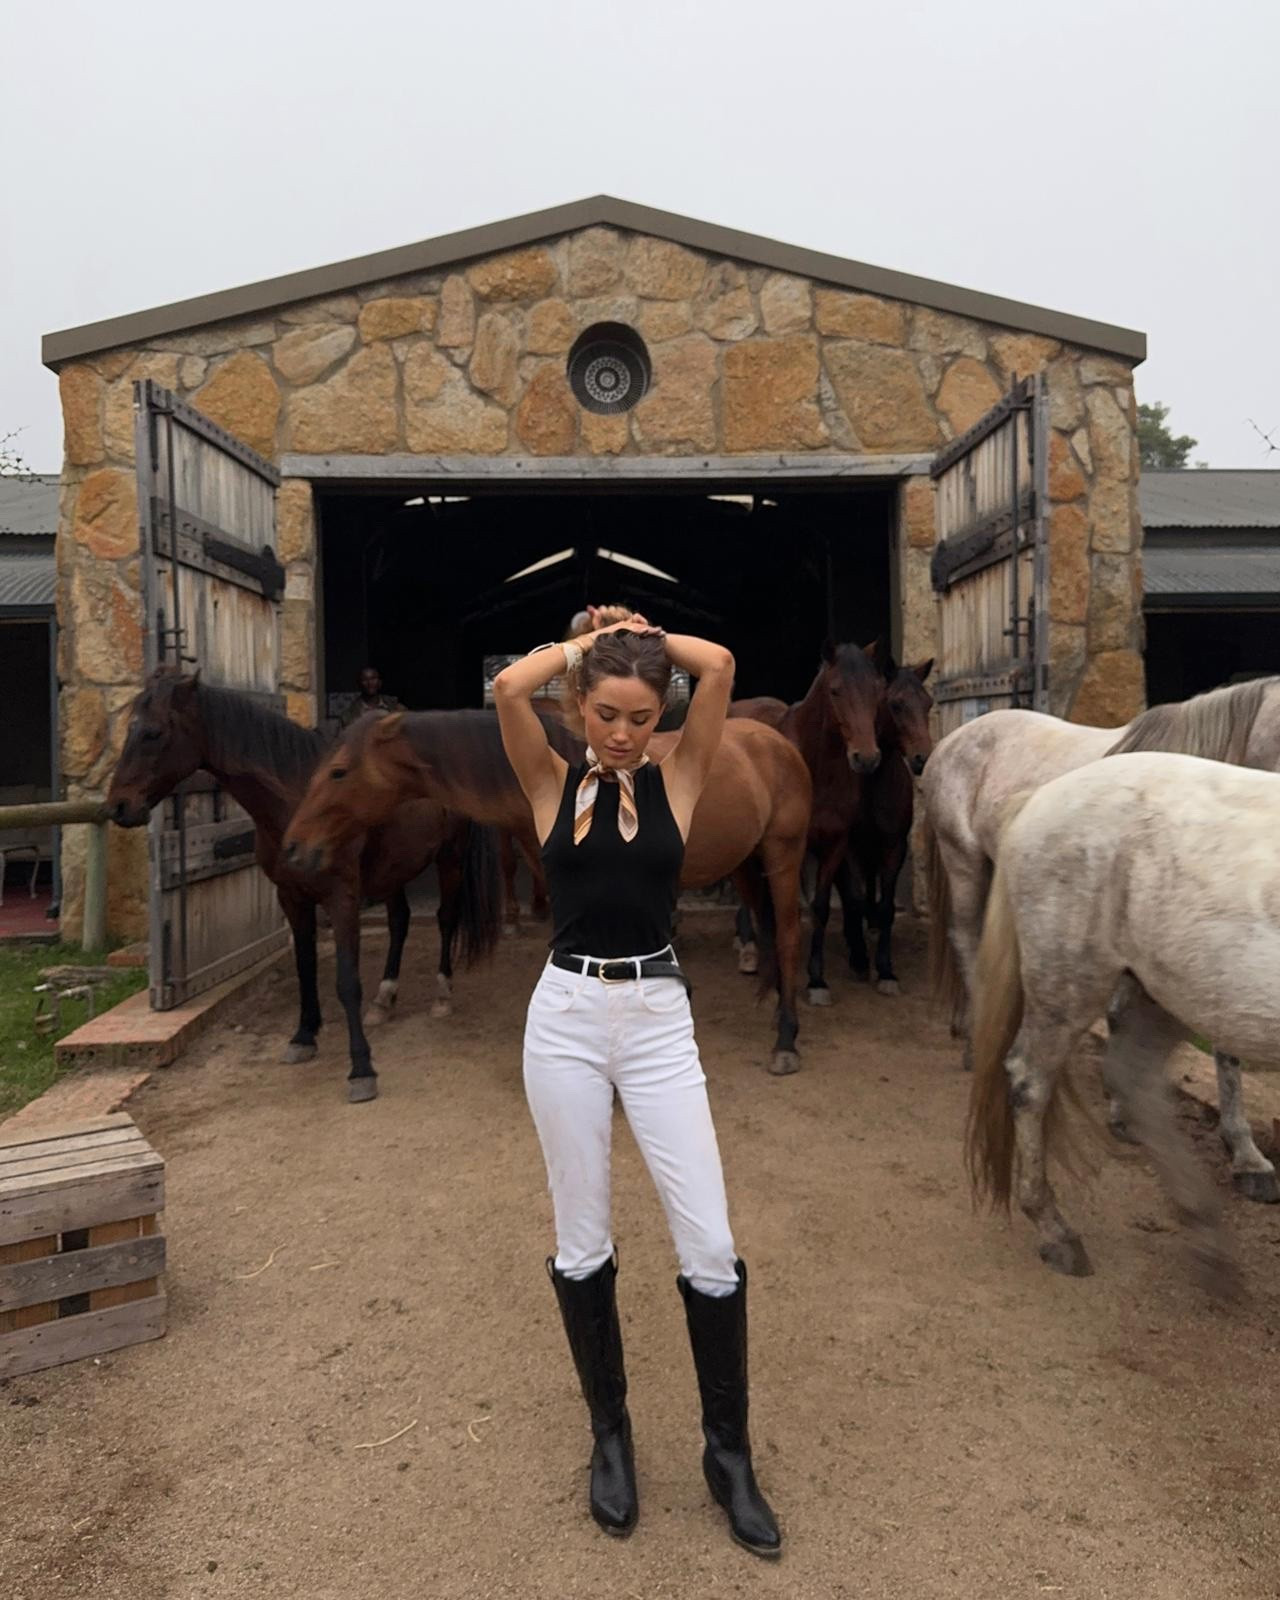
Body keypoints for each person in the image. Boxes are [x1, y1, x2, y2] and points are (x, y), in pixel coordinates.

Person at [492, 618, 781, 1558]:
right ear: (579, 710)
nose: (622, 733)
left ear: (662, 716)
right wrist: (583, 651)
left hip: (658, 1018)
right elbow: (506, 691)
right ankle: (609, 1437)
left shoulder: (678, 778)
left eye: (641, 716)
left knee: (710, 1239)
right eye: (607, 715)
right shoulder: (550, 782)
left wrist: (639, 633)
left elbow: (723, 664)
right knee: (581, 1239)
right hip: (567, 1018)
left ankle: (726, 1454)